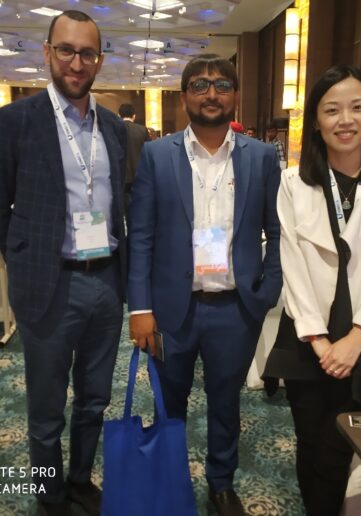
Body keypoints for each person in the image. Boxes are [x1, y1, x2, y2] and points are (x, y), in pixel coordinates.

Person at [127, 54, 282, 516]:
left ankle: (221, 484)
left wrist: (267, 290)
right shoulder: (158, 155)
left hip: (235, 308)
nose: (211, 94)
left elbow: (277, 230)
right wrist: (140, 308)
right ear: (184, 96)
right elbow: (142, 236)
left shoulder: (261, 156)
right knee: (169, 402)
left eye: (221, 85)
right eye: (199, 85)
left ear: (235, 95)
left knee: (225, 403)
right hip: (172, 308)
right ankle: (170, 480)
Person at [0, 10, 127, 516]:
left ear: (99, 59)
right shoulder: (15, 121)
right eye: (67, 50)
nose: (77, 63)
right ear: (47, 53)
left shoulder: (113, 127)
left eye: (87, 53)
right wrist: (21, 261)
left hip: (106, 284)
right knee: (46, 409)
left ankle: (78, 479)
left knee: (94, 400)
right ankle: (49, 496)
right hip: (48, 285)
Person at [264, 65, 361, 516]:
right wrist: (321, 341)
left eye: (357, 108)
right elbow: (292, 263)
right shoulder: (293, 183)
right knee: (313, 442)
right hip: (310, 340)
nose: (345, 120)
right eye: (332, 110)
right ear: (316, 122)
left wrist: (357, 336)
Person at [118, 103, 150, 213]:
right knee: (139, 207)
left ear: (119, 115)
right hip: (139, 174)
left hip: (121, 175)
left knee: (123, 206)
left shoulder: (114, 129)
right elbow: (148, 152)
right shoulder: (143, 130)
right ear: (134, 116)